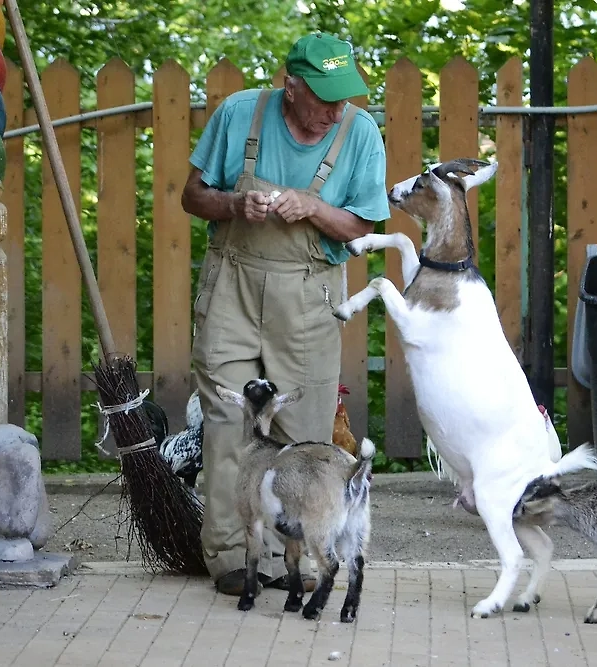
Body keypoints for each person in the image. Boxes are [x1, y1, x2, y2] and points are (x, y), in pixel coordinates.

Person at [180, 32, 390, 596]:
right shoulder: (240, 114)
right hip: (232, 287)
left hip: (306, 296)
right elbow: (191, 197)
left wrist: (317, 208)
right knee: (227, 429)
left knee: (302, 433)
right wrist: (232, 204)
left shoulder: (360, 134)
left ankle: (294, 558)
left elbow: (363, 228)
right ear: (289, 85)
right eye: (322, 97)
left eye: (342, 97)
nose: (333, 110)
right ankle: (230, 559)